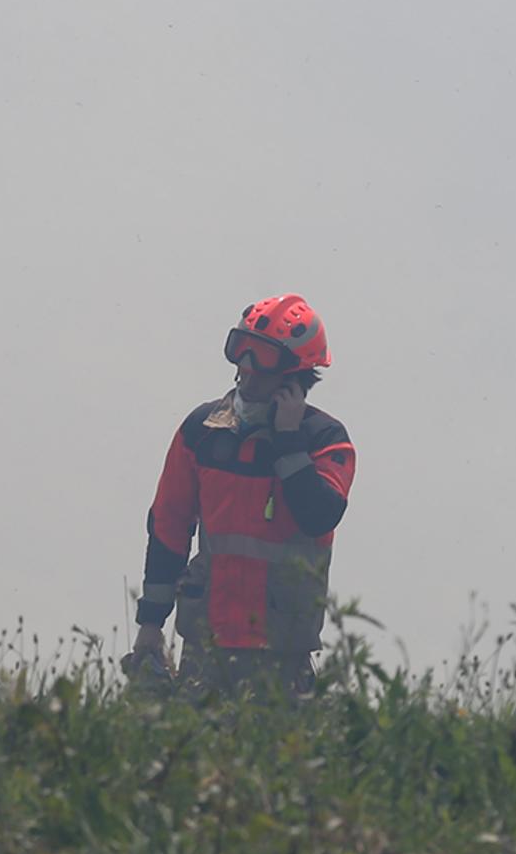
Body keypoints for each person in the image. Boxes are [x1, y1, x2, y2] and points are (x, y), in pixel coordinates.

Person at [129, 295, 357, 696]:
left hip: (282, 653)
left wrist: (288, 443)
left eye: (262, 358)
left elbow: (319, 515)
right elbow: (168, 526)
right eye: (241, 352)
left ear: (294, 375)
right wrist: (150, 624)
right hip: (206, 645)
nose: (247, 370)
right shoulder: (201, 431)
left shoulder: (326, 441)